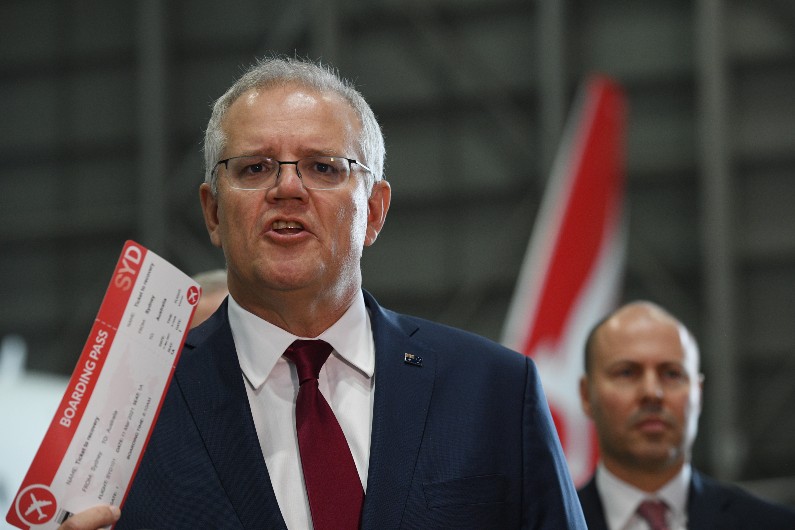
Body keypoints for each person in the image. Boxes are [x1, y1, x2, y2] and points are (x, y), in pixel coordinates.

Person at [60, 56, 585, 529]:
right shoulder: (130, 416)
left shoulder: (494, 392)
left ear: (375, 211)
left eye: (323, 167)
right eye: (255, 167)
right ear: (213, 212)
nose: (287, 188)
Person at [577, 300, 795, 530]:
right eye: (627, 372)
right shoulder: (545, 523)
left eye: (672, 374)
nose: (652, 392)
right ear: (586, 395)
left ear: (698, 394)